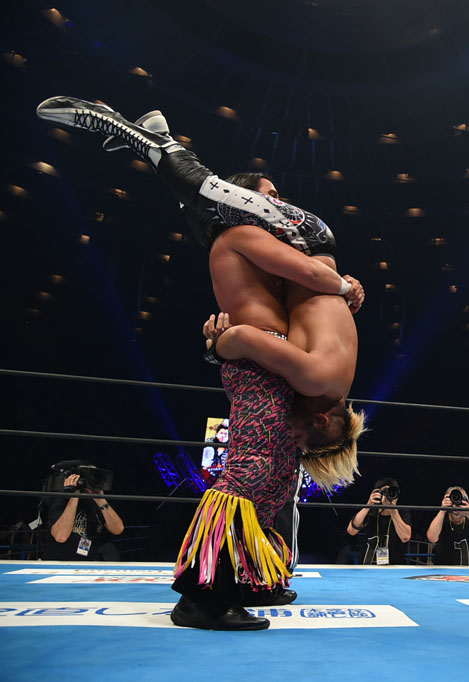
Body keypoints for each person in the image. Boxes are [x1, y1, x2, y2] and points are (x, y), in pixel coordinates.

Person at [35, 97, 366, 629]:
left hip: (255, 360)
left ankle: (237, 581)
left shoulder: (250, 244)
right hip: (255, 357)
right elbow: (265, 319)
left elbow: (266, 319)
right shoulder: (245, 237)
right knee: (257, 474)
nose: (279, 204)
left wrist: (228, 342)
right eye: (269, 198)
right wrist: (337, 286)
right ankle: (205, 596)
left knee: (268, 477)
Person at [44, 468, 124, 561]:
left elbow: (118, 529)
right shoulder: (61, 499)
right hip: (60, 563)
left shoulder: (94, 502)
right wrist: (74, 496)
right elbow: (60, 536)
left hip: (88, 563)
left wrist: (100, 499)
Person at [346, 478, 413, 565]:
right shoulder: (371, 511)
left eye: (390, 492)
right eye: (384, 492)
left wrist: (393, 510)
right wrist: (368, 505)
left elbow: (405, 537)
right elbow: (351, 530)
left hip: (395, 566)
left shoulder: (402, 512)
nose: (387, 495)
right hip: (368, 565)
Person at [426, 486, 469, 565]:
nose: (455, 503)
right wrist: (442, 510)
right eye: (452, 499)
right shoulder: (441, 517)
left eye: (460, 499)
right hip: (444, 572)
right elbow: (431, 538)